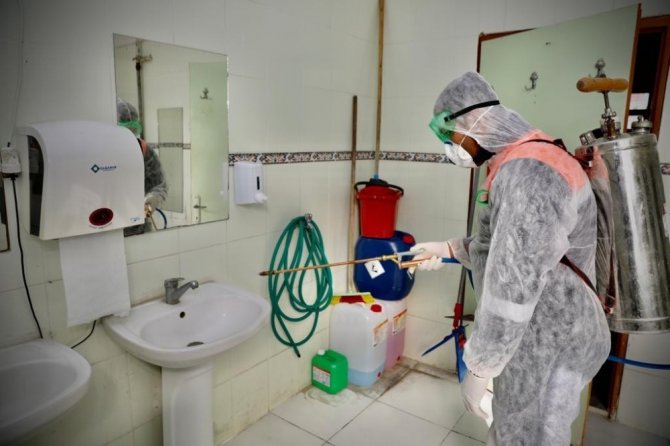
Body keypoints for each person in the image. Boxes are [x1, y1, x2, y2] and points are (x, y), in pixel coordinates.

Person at [410, 72, 610, 445]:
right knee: (520, 431)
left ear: (473, 120)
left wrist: (480, 367)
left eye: (449, 136)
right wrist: (448, 248)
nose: (450, 148)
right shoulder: (519, 158)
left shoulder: (529, 173)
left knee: (529, 436)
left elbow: (514, 284)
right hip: (543, 330)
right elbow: (506, 246)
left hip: (549, 335)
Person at [116, 97, 168, 234]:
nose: (129, 137)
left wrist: (151, 200)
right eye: (124, 131)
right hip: (107, 230)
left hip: (140, 229)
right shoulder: (99, 154)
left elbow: (160, 185)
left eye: (133, 131)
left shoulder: (144, 151)